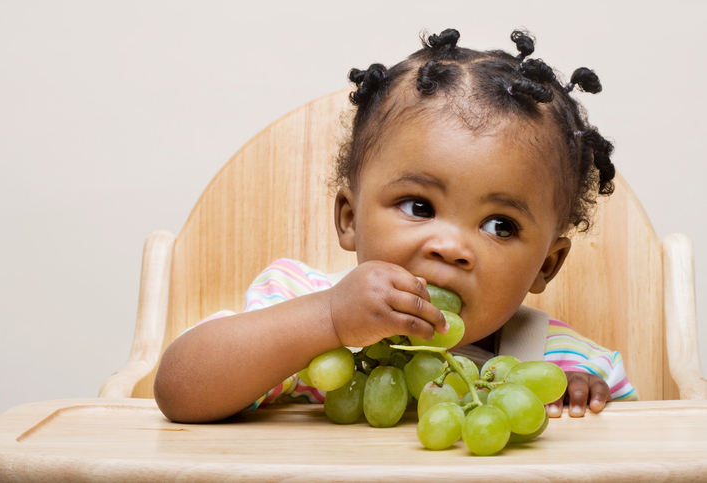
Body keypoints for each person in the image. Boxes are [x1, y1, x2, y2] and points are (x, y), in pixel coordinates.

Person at [154, 28, 638, 424]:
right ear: (349, 218)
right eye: (419, 207)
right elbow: (178, 390)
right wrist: (326, 319)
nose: (451, 247)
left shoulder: (557, 359)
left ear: (546, 265)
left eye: (499, 225)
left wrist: (586, 407)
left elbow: (639, 450)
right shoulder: (297, 303)